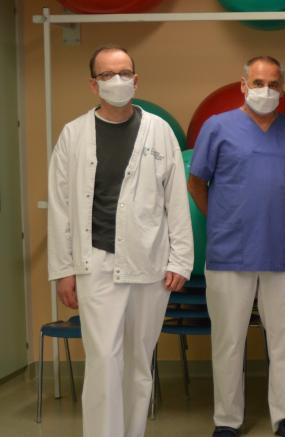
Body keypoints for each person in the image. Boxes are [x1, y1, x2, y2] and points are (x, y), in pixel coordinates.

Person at [48, 45, 193, 437]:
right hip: (95, 263)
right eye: (108, 75)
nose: (118, 81)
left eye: (124, 72)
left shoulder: (159, 131)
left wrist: (181, 260)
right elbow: (60, 206)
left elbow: (176, 199)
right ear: (94, 84)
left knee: (138, 363)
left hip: (149, 261)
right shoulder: (73, 135)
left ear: (136, 79)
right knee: (103, 361)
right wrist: (63, 271)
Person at [187, 56, 285, 437]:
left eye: (274, 84)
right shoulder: (217, 127)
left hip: (280, 253)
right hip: (229, 254)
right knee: (228, 342)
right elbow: (196, 184)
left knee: (284, 341)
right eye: (258, 82)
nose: (266, 91)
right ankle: (227, 420)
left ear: (283, 87)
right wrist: (223, 220)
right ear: (243, 85)